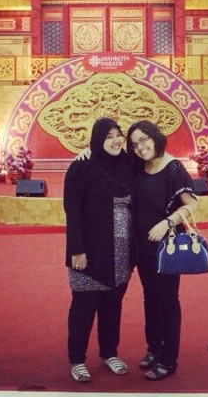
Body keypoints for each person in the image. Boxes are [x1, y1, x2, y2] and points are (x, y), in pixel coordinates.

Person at [127, 120, 198, 381]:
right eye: (134, 144)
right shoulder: (138, 166)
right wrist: (86, 152)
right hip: (142, 245)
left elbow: (192, 204)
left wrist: (166, 223)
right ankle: (154, 348)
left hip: (167, 244)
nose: (140, 147)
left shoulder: (173, 168)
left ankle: (169, 360)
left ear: (155, 137)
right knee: (150, 297)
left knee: (168, 300)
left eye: (143, 140)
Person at [64, 117, 133, 383]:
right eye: (108, 136)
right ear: (96, 140)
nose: (115, 141)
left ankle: (109, 353)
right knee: (85, 304)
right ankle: (77, 359)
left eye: (118, 135)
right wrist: (76, 249)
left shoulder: (127, 164)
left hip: (122, 248)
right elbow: (72, 210)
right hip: (90, 248)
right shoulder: (82, 167)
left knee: (112, 303)